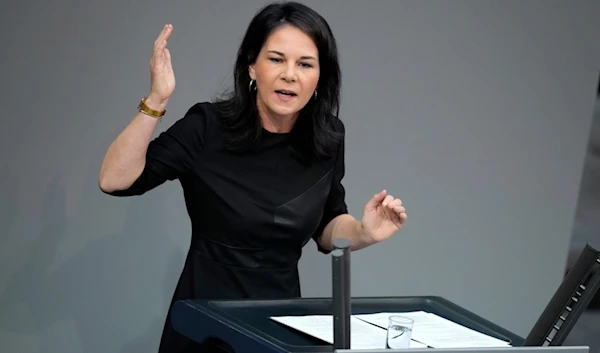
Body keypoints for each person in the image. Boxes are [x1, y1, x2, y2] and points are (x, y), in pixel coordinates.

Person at [98, 2, 407, 352]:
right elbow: (115, 179)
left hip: (280, 328)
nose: (289, 74)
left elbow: (326, 227)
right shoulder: (207, 127)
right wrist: (157, 99)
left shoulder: (328, 137)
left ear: (320, 77)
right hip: (204, 323)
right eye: (276, 59)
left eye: (305, 64)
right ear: (252, 66)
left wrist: (363, 232)